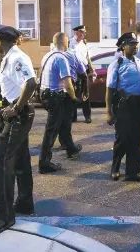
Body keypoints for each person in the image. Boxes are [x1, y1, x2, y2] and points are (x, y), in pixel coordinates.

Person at [0, 26, 37, 237]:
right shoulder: (10, 56)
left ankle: (3, 216)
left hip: (16, 115)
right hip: (14, 113)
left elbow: (31, 83)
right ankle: (24, 203)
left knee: (3, 162)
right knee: (20, 159)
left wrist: (16, 108)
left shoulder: (16, 58)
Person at [106, 32, 140, 183]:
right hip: (124, 106)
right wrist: (109, 112)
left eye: (136, 44)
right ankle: (115, 169)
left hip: (139, 105)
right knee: (122, 139)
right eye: (132, 44)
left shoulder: (139, 62)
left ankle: (133, 172)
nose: (135, 46)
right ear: (123, 46)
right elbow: (110, 89)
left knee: (136, 140)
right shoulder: (117, 64)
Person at [39, 33, 80, 174]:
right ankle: (44, 163)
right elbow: (68, 83)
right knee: (51, 131)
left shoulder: (47, 56)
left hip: (45, 94)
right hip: (54, 96)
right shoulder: (61, 58)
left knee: (61, 123)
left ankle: (70, 147)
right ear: (65, 43)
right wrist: (74, 98)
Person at [59, 48, 88, 150]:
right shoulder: (73, 56)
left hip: (54, 90)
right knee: (67, 119)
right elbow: (84, 75)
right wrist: (85, 91)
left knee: (58, 119)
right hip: (69, 88)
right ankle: (69, 146)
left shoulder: (51, 56)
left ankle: (63, 142)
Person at [69, 25, 96, 123]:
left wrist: (92, 70)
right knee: (73, 94)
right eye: (82, 32)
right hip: (74, 72)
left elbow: (87, 58)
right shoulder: (69, 43)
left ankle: (87, 116)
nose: (84, 34)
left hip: (84, 71)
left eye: (84, 32)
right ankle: (73, 116)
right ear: (76, 32)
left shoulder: (84, 43)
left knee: (86, 93)